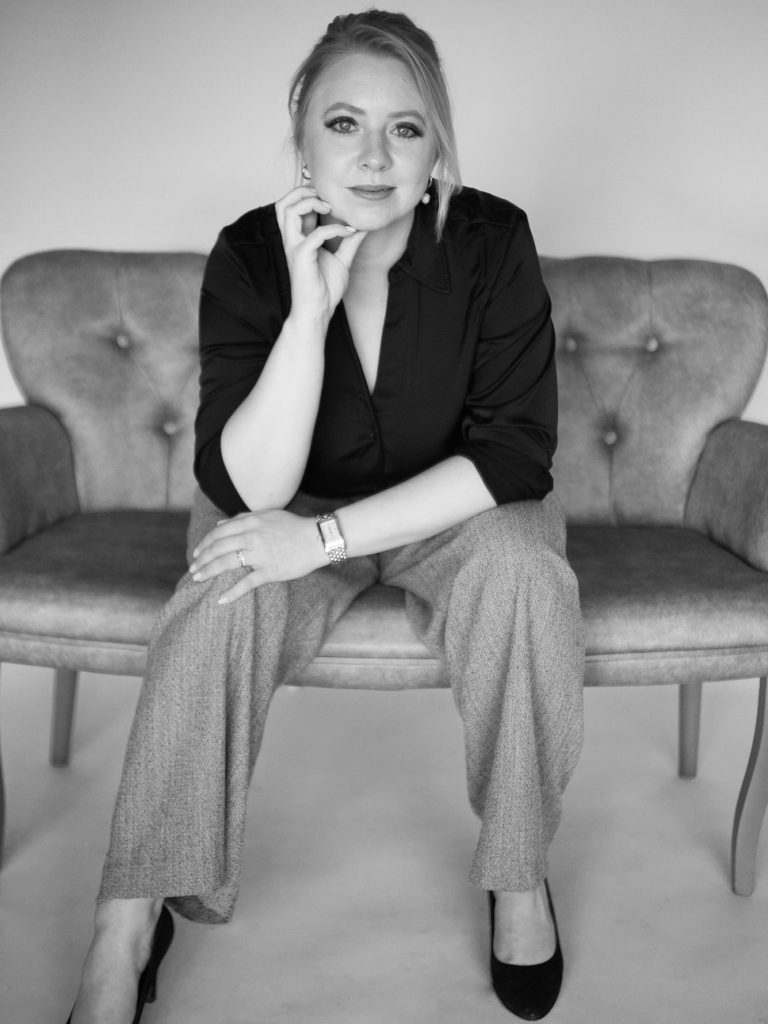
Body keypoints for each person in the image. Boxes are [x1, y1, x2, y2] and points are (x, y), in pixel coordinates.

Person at [66, 10, 584, 1023]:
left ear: (437, 147)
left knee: (526, 572)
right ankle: (125, 926)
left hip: (456, 509)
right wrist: (310, 312)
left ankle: (518, 874)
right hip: (288, 505)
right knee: (220, 592)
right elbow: (251, 490)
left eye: (406, 128)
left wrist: (327, 541)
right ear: (303, 134)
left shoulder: (492, 242)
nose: (375, 157)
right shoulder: (249, 256)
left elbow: (513, 457)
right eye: (346, 123)